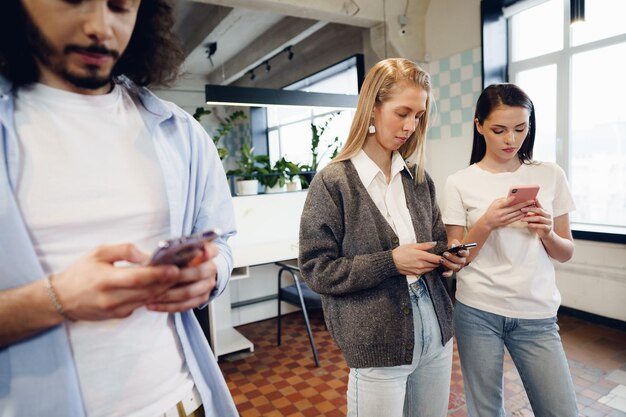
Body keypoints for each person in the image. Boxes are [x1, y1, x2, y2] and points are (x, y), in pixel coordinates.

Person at [0, 1, 239, 416]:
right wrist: (55, 300)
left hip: (185, 402)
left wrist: (209, 274)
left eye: (120, 7)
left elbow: (226, 241)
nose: (100, 26)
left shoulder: (179, 132)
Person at [298, 58, 469, 417]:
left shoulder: (419, 179)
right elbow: (317, 270)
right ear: (373, 109)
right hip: (377, 342)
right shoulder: (333, 183)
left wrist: (448, 260)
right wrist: (390, 262)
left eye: (419, 115)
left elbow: (435, 243)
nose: (411, 126)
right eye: (402, 112)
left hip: (435, 333)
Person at [442, 83, 578, 417]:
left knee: (561, 410)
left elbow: (565, 252)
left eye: (520, 129)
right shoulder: (459, 182)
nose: (510, 140)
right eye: (499, 130)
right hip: (477, 312)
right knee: (486, 411)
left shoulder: (549, 175)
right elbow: (456, 259)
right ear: (479, 126)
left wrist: (546, 232)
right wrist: (486, 223)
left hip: (537, 315)